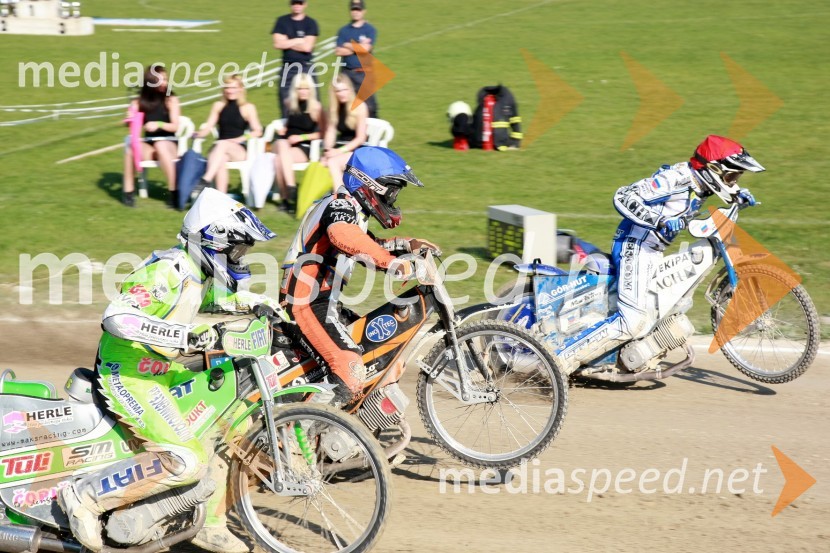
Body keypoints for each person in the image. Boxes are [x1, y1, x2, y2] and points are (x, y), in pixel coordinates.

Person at [58, 188, 280, 553]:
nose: (241, 257)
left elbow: (208, 300)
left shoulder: (195, 272)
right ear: (214, 241)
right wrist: (182, 336)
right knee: (187, 460)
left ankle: (209, 522)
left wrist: (258, 303)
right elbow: (116, 317)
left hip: (161, 372)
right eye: (238, 249)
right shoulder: (167, 272)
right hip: (128, 375)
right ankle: (83, 496)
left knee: (233, 416)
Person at [555, 135, 765, 372]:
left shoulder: (702, 181)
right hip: (634, 247)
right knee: (632, 322)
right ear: (713, 169)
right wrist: (659, 220)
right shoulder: (674, 179)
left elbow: (723, 186)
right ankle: (559, 362)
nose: (733, 180)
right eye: (732, 176)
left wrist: (738, 194)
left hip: (652, 251)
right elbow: (623, 196)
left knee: (666, 306)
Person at [279, 146, 440, 404]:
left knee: (379, 353)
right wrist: (392, 264)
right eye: (392, 190)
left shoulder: (350, 210)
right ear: (369, 184)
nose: (393, 198)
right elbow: (343, 236)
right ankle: (302, 430)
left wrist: (407, 245)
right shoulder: (339, 205)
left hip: (323, 303)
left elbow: (366, 246)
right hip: (305, 304)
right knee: (350, 369)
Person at [123, 65, 180, 208]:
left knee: (161, 145)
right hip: (150, 145)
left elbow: (175, 126)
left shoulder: (171, 99)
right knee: (130, 148)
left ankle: (174, 192)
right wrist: (129, 118)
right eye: (160, 80)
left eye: (165, 79)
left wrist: (159, 124)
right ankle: (128, 193)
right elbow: (131, 126)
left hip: (169, 143)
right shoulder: (138, 102)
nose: (165, 83)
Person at [194, 74, 263, 194]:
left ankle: (206, 179)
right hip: (219, 149)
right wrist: (198, 134)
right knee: (221, 157)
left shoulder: (247, 107)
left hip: (238, 149)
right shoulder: (218, 106)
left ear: (241, 89)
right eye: (227, 88)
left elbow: (258, 130)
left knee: (222, 145)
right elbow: (208, 126)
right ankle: (222, 197)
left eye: (233, 87)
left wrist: (241, 138)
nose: (230, 91)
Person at [274, 72, 324, 213]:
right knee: (282, 145)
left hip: (302, 147)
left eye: (306, 88)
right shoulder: (290, 103)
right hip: (284, 143)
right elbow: (291, 123)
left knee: (279, 160)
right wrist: (285, 129)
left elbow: (323, 133)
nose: (303, 92)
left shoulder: (316, 108)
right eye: (300, 89)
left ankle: (285, 199)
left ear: (311, 89)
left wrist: (301, 138)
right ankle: (291, 190)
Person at [272, 0, 319, 118]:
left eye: (300, 3)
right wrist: (298, 40)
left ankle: (315, 130)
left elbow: (307, 47)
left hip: (306, 66)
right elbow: (277, 44)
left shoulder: (311, 23)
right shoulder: (282, 21)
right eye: (294, 3)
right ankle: (288, 128)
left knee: (312, 102)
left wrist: (287, 41)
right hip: (288, 67)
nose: (297, 6)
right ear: (290, 4)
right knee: (285, 100)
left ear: (305, 4)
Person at [322, 74, 368, 193]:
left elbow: (360, 138)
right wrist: (327, 151)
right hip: (341, 148)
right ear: (334, 93)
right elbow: (330, 132)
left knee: (333, 162)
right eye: (338, 91)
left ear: (350, 89)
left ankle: (342, 198)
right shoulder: (334, 109)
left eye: (345, 89)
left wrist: (337, 151)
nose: (342, 93)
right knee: (322, 163)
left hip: (357, 150)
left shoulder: (360, 106)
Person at [335, 0, 378, 117]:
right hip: (347, 73)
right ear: (350, 11)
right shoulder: (343, 30)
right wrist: (358, 46)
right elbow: (338, 51)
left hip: (364, 73)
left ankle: (372, 132)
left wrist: (348, 44)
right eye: (353, 9)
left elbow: (366, 49)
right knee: (346, 105)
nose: (356, 12)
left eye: (358, 10)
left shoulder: (369, 29)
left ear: (364, 11)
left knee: (370, 106)